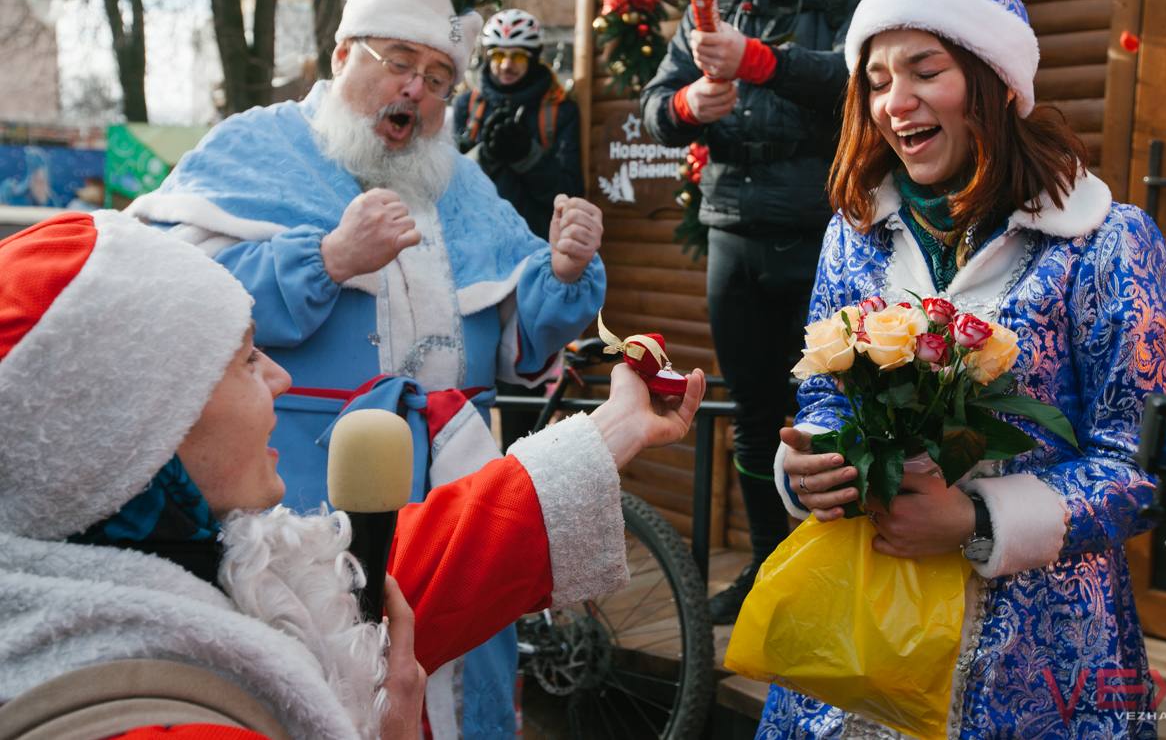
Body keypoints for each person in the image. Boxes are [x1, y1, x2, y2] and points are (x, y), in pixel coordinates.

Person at [126, 0, 604, 735]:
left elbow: (518, 343)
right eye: (398, 62)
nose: (415, 88)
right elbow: (178, 300)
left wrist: (559, 275)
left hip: (454, 504)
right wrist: (324, 261)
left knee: (457, 688)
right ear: (344, 53)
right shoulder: (259, 146)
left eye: (440, 77)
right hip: (306, 503)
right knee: (315, 692)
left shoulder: (464, 183)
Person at [0, 211, 706, 740]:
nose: (280, 376)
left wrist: (617, 426)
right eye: (248, 359)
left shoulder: (170, 562)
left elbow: (378, 589)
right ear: (142, 426)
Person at [759, 0, 1166, 739]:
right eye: (877, 81)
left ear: (991, 83)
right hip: (867, 638)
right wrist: (814, 462)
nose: (896, 102)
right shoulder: (857, 235)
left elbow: (1136, 465)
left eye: (925, 71)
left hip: (1038, 655)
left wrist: (979, 519)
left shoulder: (1103, 242)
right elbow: (822, 391)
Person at [639, 0, 879, 624]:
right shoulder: (722, 3)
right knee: (754, 416)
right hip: (735, 236)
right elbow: (655, 107)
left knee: (838, 413)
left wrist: (763, 62)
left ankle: (836, 576)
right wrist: (684, 110)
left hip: (827, 238)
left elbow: (861, 80)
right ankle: (769, 569)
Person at [454, 8, 584, 451]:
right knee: (464, 378)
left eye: (518, 57)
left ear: (535, 58)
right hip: (472, 262)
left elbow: (572, 192)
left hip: (530, 264)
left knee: (522, 388)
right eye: (498, 55)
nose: (507, 65)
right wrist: (484, 159)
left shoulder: (558, 109)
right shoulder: (465, 105)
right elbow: (444, 187)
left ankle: (516, 487)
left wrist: (528, 156)